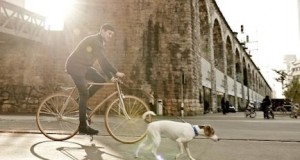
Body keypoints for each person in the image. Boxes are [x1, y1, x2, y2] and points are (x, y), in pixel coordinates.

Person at [65, 23, 125, 135]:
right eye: (109, 33)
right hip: (75, 66)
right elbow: (103, 60)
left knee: (101, 81)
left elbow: (101, 61)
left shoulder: (99, 42)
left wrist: (111, 77)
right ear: (102, 31)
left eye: (112, 35)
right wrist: (116, 72)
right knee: (84, 93)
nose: (110, 36)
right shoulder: (95, 41)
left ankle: (80, 101)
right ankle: (83, 127)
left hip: (84, 67)